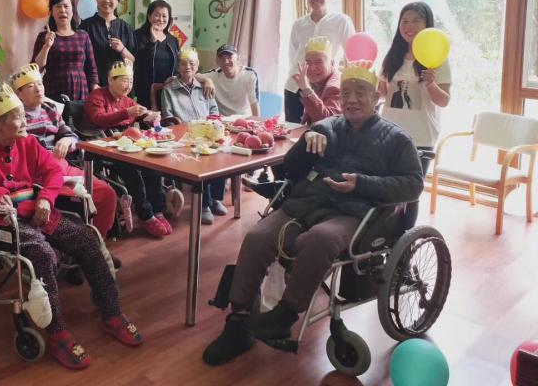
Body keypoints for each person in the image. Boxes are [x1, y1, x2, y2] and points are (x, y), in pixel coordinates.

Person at [203, 61, 423, 365]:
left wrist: (362, 183)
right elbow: (292, 169)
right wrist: (306, 143)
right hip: (308, 203)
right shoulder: (328, 127)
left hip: (354, 212)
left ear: (376, 97)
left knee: (319, 239)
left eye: (360, 92)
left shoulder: (397, 139)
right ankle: (238, 321)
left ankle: (285, 315)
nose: (351, 99)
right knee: (257, 237)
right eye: (346, 92)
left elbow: (413, 185)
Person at [0, 85, 143, 370]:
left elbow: (52, 171)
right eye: (18, 117)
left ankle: (111, 313)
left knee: (86, 238)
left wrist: (46, 200)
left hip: (36, 211)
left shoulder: (28, 143)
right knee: (42, 254)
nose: (25, 121)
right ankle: (57, 333)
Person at [9, 63, 119, 248]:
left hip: (63, 166)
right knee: (81, 202)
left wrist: (67, 140)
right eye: (31, 86)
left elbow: (70, 134)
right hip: (38, 176)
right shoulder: (15, 118)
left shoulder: (49, 109)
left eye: (40, 84)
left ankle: (96, 246)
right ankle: (82, 248)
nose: (38, 89)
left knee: (107, 194)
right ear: (18, 93)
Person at [83, 60, 170, 239]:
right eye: (124, 80)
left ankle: (157, 210)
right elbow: (98, 119)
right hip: (104, 147)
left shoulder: (127, 100)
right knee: (132, 171)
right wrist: (127, 113)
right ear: (111, 80)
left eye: (130, 81)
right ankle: (146, 215)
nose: (128, 85)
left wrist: (149, 116)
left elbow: (139, 114)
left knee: (152, 165)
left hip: (127, 145)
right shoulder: (97, 96)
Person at [379, 2, 451, 176]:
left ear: (427, 24)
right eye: (404, 21)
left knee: (411, 188)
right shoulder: (392, 56)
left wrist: (431, 84)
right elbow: (381, 94)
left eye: (416, 21)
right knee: (385, 186)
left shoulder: (438, 59)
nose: (409, 26)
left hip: (420, 136)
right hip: (389, 133)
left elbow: (444, 101)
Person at [161, 48, 227, 225]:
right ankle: (204, 205)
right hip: (184, 137)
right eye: (183, 64)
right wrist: (183, 131)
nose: (187, 67)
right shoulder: (169, 88)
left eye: (191, 63)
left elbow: (214, 110)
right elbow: (168, 117)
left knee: (221, 154)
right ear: (178, 67)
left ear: (197, 66)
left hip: (207, 134)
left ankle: (215, 199)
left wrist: (212, 126)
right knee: (202, 158)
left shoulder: (204, 86)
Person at [285, 0, 355, 123]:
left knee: (323, 127)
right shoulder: (299, 24)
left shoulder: (342, 21)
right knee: (293, 129)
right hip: (295, 85)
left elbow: (352, 55)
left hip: (323, 88)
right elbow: (293, 55)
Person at [31, 0, 99, 102]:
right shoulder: (44, 36)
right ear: (51, 12)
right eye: (58, 6)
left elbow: (92, 69)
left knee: (79, 113)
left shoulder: (83, 36)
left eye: (66, 6)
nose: (62, 10)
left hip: (80, 89)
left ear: (72, 10)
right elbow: (36, 68)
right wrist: (47, 46)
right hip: (53, 88)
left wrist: (95, 90)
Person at [79, 0, 135, 87]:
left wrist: (122, 49)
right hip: (93, 85)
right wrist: (92, 83)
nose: (106, 0)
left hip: (120, 86)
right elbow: (80, 59)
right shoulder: (86, 26)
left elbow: (132, 60)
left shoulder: (126, 28)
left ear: (117, 1)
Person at [133, 0, 180, 108]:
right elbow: (138, 61)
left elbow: (178, 65)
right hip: (145, 91)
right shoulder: (138, 36)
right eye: (157, 15)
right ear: (149, 17)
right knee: (148, 118)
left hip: (169, 92)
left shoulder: (173, 40)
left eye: (164, 16)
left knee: (169, 118)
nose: (161, 19)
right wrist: (152, 41)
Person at [291, 36, 342, 125]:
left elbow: (327, 122)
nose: (312, 68)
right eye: (308, 62)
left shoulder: (334, 87)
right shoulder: (319, 79)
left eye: (319, 62)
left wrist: (306, 89)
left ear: (332, 63)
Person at [201, 43, 260, 117]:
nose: (226, 61)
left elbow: (254, 103)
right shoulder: (214, 75)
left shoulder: (249, 74)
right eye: (222, 58)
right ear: (217, 61)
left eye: (229, 57)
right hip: (222, 120)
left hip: (243, 119)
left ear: (237, 58)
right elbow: (194, 76)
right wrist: (207, 80)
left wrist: (256, 123)